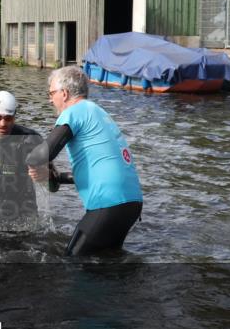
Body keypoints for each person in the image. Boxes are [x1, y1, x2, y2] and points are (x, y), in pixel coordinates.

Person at [26, 66, 143, 256]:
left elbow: (43, 154)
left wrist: (26, 158)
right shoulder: (98, 113)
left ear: (64, 93)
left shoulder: (75, 111)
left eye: (51, 93)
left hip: (109, 203)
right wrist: (55, 176)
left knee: (73, 262)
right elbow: (97, 169)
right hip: (131, 204)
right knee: (107, 262)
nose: (50, 99)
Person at [0, 91, 53, 233]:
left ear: (15, 116)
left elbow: (54, 182)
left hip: (24, 216)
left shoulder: (30, 139)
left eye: (8, 118)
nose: (3, 124)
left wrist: (47, 174)